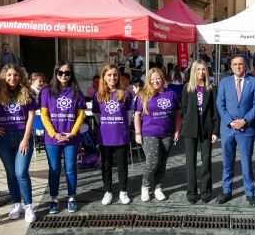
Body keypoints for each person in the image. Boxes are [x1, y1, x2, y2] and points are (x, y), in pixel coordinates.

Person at [0, 64, 38, 223]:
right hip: (4, 138)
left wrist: (26, 139)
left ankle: (29, 206)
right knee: (11, 173)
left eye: (15, 75)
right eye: (9, 75)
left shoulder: (28, 94)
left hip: (23, 136)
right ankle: (17, 204)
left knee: (21, 172)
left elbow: (31, 118)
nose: (12, 78)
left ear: (20, 77)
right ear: (3, 77)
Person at [40, 60, 87, 214]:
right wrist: (54, 133)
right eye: (60, 72)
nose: (64, 75)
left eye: (67, 73)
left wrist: (72, 133)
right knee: (54, 170)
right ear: (56, 73)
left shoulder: (76, 92)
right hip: (52, 139)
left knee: (71, 169)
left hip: (71, 138)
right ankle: (54, 199)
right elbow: (44, 115)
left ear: (71, 74)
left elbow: (81, 114)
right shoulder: (46, 91)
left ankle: (71, 197)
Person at [216, 54, 255, 206]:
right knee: (227, 163)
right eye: (235, 64)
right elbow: (220, 105)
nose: (238, 67)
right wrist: (231, 122)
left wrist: (244, 121)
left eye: (240, 64)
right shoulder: (224, 82)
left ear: (245, 66)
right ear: (231, 66)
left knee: (247, 163)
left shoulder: (253, 82)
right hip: (228, 130)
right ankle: (226, 191)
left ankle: (250, 193)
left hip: (246, 129)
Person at [134, 68, 181, 202]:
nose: (155, 81)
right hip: (149, 132)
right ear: (149, 80)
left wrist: (177, 130)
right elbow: (137, 115)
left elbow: (178, 114)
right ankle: (145, 186)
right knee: (153, 161)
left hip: (167, 132)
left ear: (163, 79)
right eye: (152, 79)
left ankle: (158, 187)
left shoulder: (171, 94)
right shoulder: (143, 95)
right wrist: (137, 133)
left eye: (158, 78)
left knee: (162, 162)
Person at [92, 64, 133, 205]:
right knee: (106, 165)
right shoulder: (98, 95)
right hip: (105, 136)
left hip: (121, 135)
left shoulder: (126, 93)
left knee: (122, 165)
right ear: (104, 77)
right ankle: (108, 191)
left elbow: (129, 115)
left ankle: (123, 191)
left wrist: (121, 127)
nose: (112, 77)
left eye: (115, 74)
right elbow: (97, 116)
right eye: (109, 75)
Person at [180, 60, 219, 204]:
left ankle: (206, 191)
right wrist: (190, 120)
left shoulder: (212, 88)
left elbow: (215, 112)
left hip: (207, 129)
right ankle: (191, 192)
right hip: (190, 129)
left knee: (206, 160)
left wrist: (215, 130)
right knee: (190, 161)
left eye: (203, 70)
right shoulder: (187, 88)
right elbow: (184, 109)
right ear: (193, 71)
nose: (201, 72)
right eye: (198, 70)